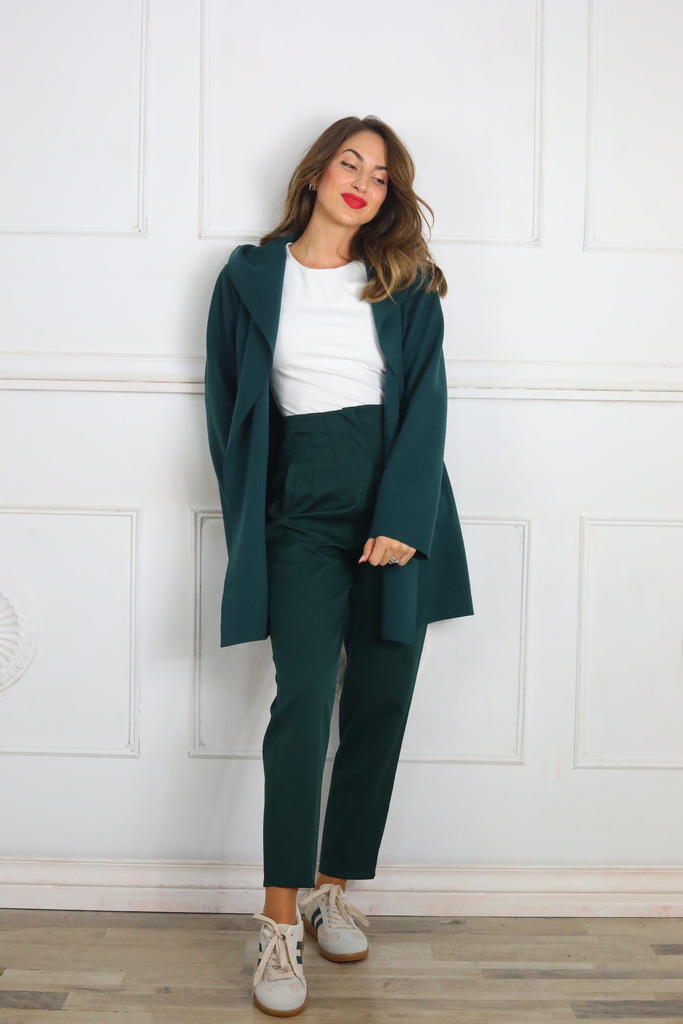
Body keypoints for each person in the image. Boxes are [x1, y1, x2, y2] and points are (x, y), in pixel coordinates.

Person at [204, 114, 473, 1017]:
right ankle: (279, 922)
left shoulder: (405, 282)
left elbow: (427, 401)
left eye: (380, 175)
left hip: (395, 500)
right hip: (300, 510)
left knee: (379, 702)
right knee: (304, 702)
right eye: (349, 164)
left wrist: (401, 516)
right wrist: (255, 518)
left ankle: (332, 889)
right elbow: (227, 407)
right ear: (317, 173)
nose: (362, 182)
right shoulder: (249, 276)